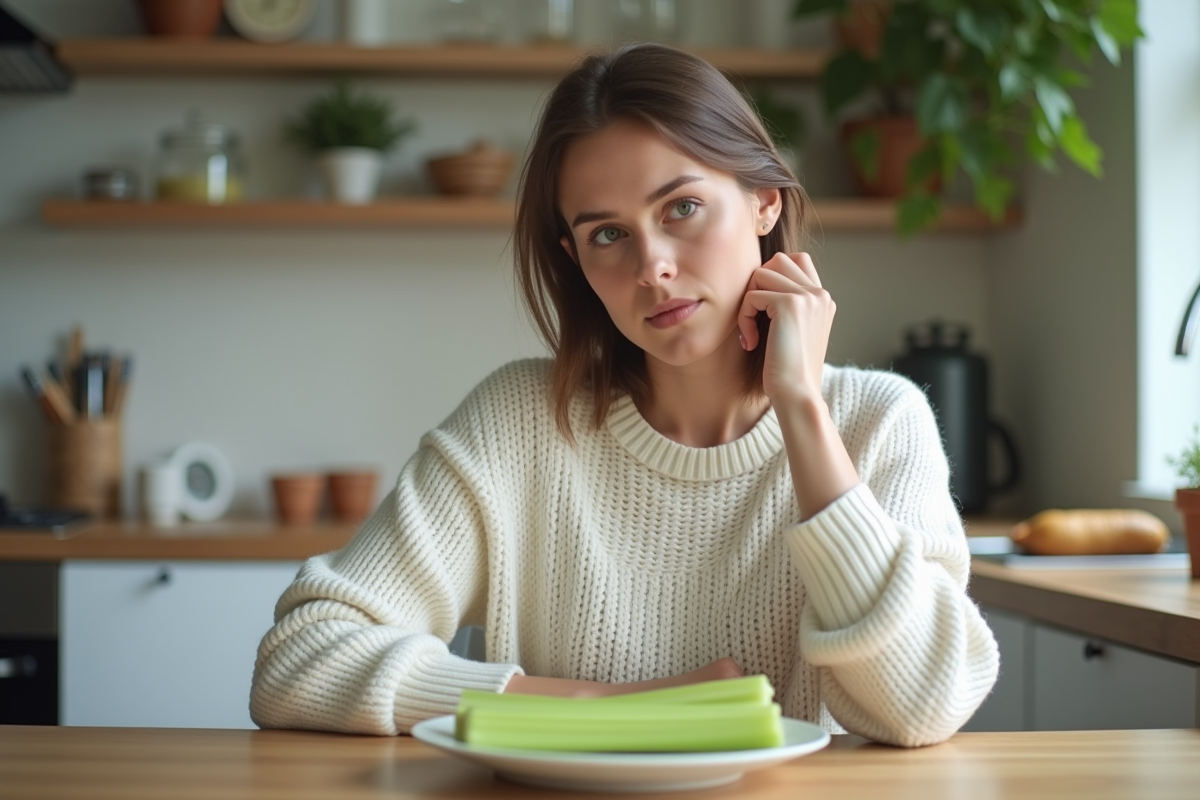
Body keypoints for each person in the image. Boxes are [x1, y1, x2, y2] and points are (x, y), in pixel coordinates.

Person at [250, 43, 999, 748]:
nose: (653, 267)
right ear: (574, 258)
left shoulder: (878, 422)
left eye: (681, 209)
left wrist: (802, 406)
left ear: (765, 201)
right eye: (609, 235)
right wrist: (601, 708)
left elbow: (922, 705)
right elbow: (297, 662)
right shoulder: (519, 422)